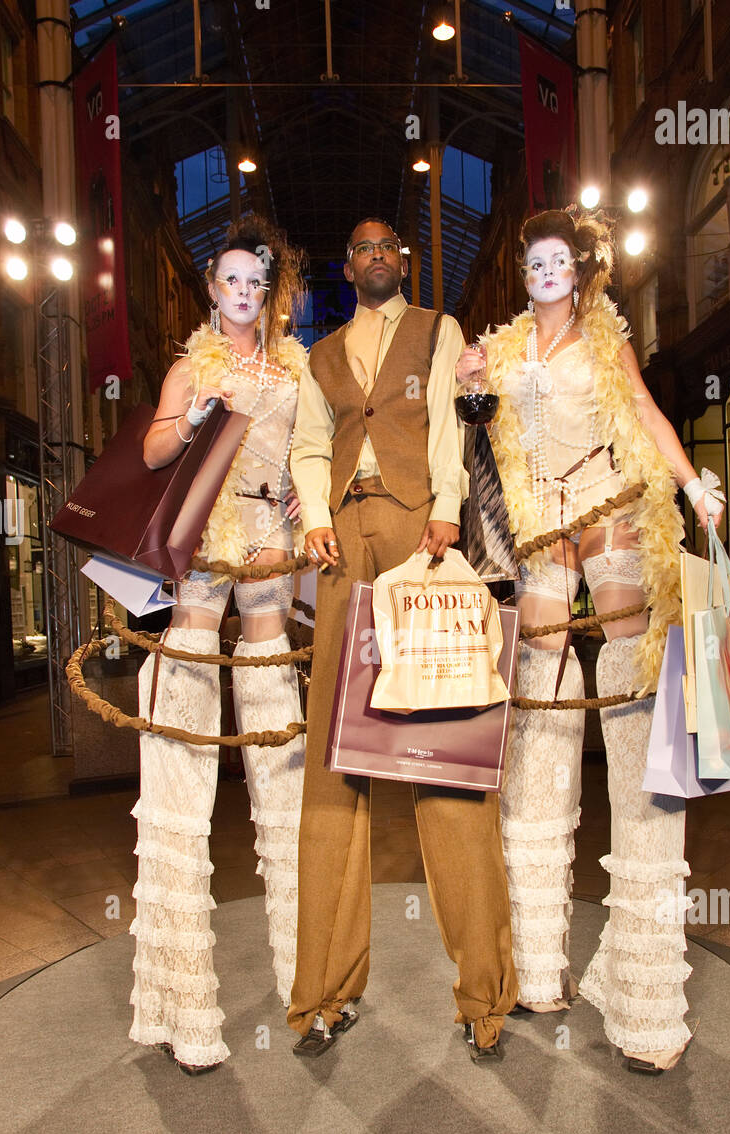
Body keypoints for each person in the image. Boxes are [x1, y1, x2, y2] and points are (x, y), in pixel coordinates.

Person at [456, 207, 724, 1073]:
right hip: (536, 534)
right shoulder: (496, 352)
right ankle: (537, 963)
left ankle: (645, 994)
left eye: (555, 261)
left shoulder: (607, 339)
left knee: (631, 687)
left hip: (611, 510)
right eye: (530, 261)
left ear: (578, 273)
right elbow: (470, 427)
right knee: (537, 703)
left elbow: (642, 414)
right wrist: (466, 384)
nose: (542, 272)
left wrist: (692, 485)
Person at [288, 218, 517, 1062]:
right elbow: (310, 447)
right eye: (361, 247)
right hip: (346, 551)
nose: (377, 254)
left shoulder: (438, 329)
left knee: (445, 765)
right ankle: (323, 993)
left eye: (388, 245)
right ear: (345, 267)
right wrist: (314, 518)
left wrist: (450, 510)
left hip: (424, 539)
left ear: (402, 262)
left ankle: (484, 997)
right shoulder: (321, 358)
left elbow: (455, 427)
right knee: (332, 767)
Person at [128, 214, 308, 1073]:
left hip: (270, 554)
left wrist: (313, 510)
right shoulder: (191, 364)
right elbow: (156, 449)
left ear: (268, 292)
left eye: (256, 283)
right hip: (202, 559)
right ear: (212, 288)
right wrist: (193, 410)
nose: (243, 294)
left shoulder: (291, 370)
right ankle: (182, 1004)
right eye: (231, 280)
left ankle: (305, 982)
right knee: (184, 760)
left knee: (282, 758)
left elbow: (306, 460)